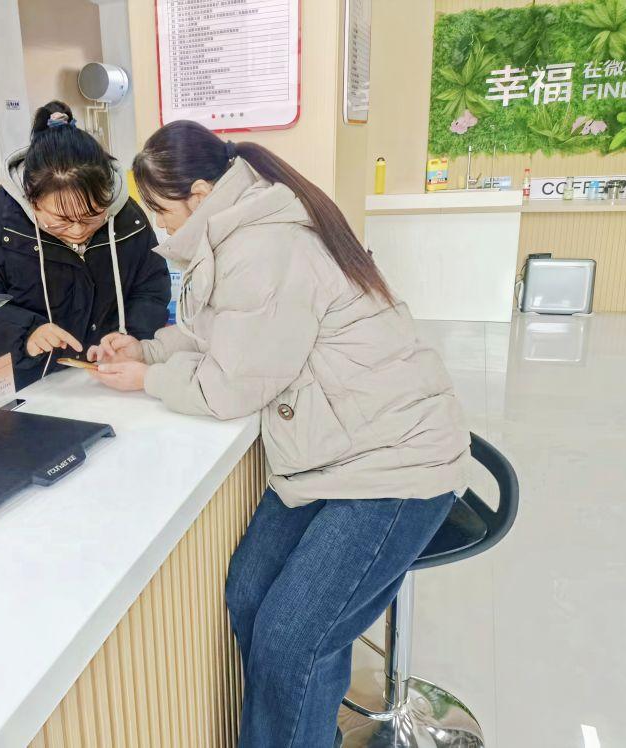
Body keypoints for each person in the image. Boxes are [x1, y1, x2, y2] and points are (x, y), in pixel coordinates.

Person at [88, 121, 470, 748]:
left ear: (201, 194)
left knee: (293, 638)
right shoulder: (242, 229)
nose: (158, 225)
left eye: (160, 210)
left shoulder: (265, 245)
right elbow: (221, 335)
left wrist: (146, 380)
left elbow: (229, 388)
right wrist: (146, 350)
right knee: (250, 595)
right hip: (333, 454)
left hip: (394, 464)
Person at [0, 101, 170, 389]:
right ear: (31, 199)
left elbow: (151, 287)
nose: (77, 230)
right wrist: (25, 334)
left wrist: (131, 338)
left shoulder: (127, 219)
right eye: (61, 220)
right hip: (13, 385)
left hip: (96, 379)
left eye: (92, 216)